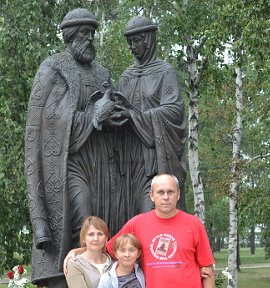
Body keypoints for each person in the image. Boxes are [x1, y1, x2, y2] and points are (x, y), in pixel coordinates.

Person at [25, 8, 120, 287]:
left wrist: (114, 114)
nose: (90, 39)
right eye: (84, 33)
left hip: (101, 160)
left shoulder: (101, 73)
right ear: (70, 36)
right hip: (69, 161)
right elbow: (47, 121)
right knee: (84, 213)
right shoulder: (53, 68)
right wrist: (93, 115)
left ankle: (100, 278)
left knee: (102, 221)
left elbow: (108, 112)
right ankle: (71, 278)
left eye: (92, 33)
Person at [104, 16, 187, 230]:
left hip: (152, 159)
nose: (132, 47)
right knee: (127, 218)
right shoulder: (127, 76)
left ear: (149, 40)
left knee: (148, 212)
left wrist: (135, 115)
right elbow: (121, 109)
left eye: (136, 41)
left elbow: (174, 110)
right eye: (129, 42)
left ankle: (155, 262)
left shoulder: (165, 72)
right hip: (127, 158)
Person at [64, 174, 215, 288]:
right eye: (160, 192)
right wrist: (78, 251)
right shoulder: (137, 223)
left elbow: (207, 269)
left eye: (171, 192)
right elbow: (108, 247)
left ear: (178, 194)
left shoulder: (194, 224)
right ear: (152, 196)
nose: (166, 197)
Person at [66, 216, 113, 288]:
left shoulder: (114, 263)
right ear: (84, 239)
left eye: (100, 234)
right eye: (91, 234)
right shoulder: (75, 264)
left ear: (106, 238)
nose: (96, 238)